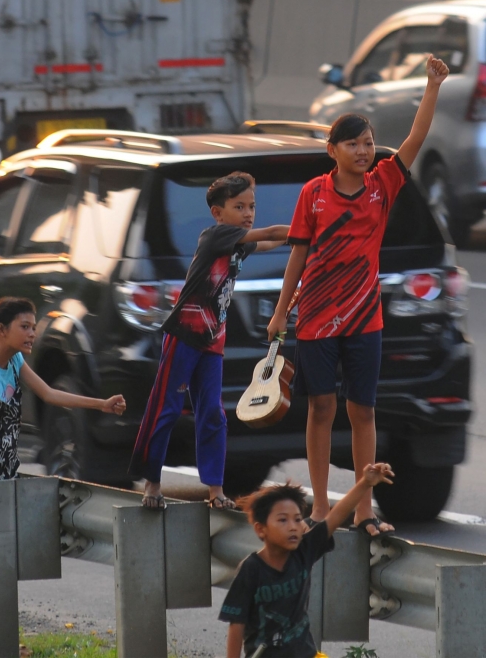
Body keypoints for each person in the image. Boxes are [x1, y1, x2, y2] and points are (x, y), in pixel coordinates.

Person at [267, 55, 449, 537]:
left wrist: (432, 86)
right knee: (321, 409)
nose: (365, 151)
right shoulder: (314, 194)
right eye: (354, 144)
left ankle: (365, 510)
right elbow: (298, 257)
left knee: (363, 410)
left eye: (368, 143)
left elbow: (414, 139)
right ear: (333, 150)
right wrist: (281, 313)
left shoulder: (383, 186)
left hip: (365, 318)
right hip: (316, 320)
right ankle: (324, 508)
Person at [0, 297, 126, 628]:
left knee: (0, 550)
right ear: (1, 331)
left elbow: (49, 394)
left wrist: (100, 404)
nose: (32, 333)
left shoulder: (14, 361)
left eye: (33, 327)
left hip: (4, 466)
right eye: (25, 327)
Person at [129, 171, 289, 510]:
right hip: (186, 332)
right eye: (239, 206)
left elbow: (273, 241)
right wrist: (309, 228)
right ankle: (152, 484)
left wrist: (299, 240)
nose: (248, 213)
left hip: (214, 339)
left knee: (213, 414)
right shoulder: (217, 235)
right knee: (167, 408)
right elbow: (274, 232)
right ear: (218, 213)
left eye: (252, 206)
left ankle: (216, 492)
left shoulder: (238, 244)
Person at [219, 462, 394, 658]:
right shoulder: (251, 569)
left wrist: (365, 483)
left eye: (297, 519)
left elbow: (336, 516)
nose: (293, 526)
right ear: (261, 529)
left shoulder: (304, 550)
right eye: (283, 520)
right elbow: (236, 625)